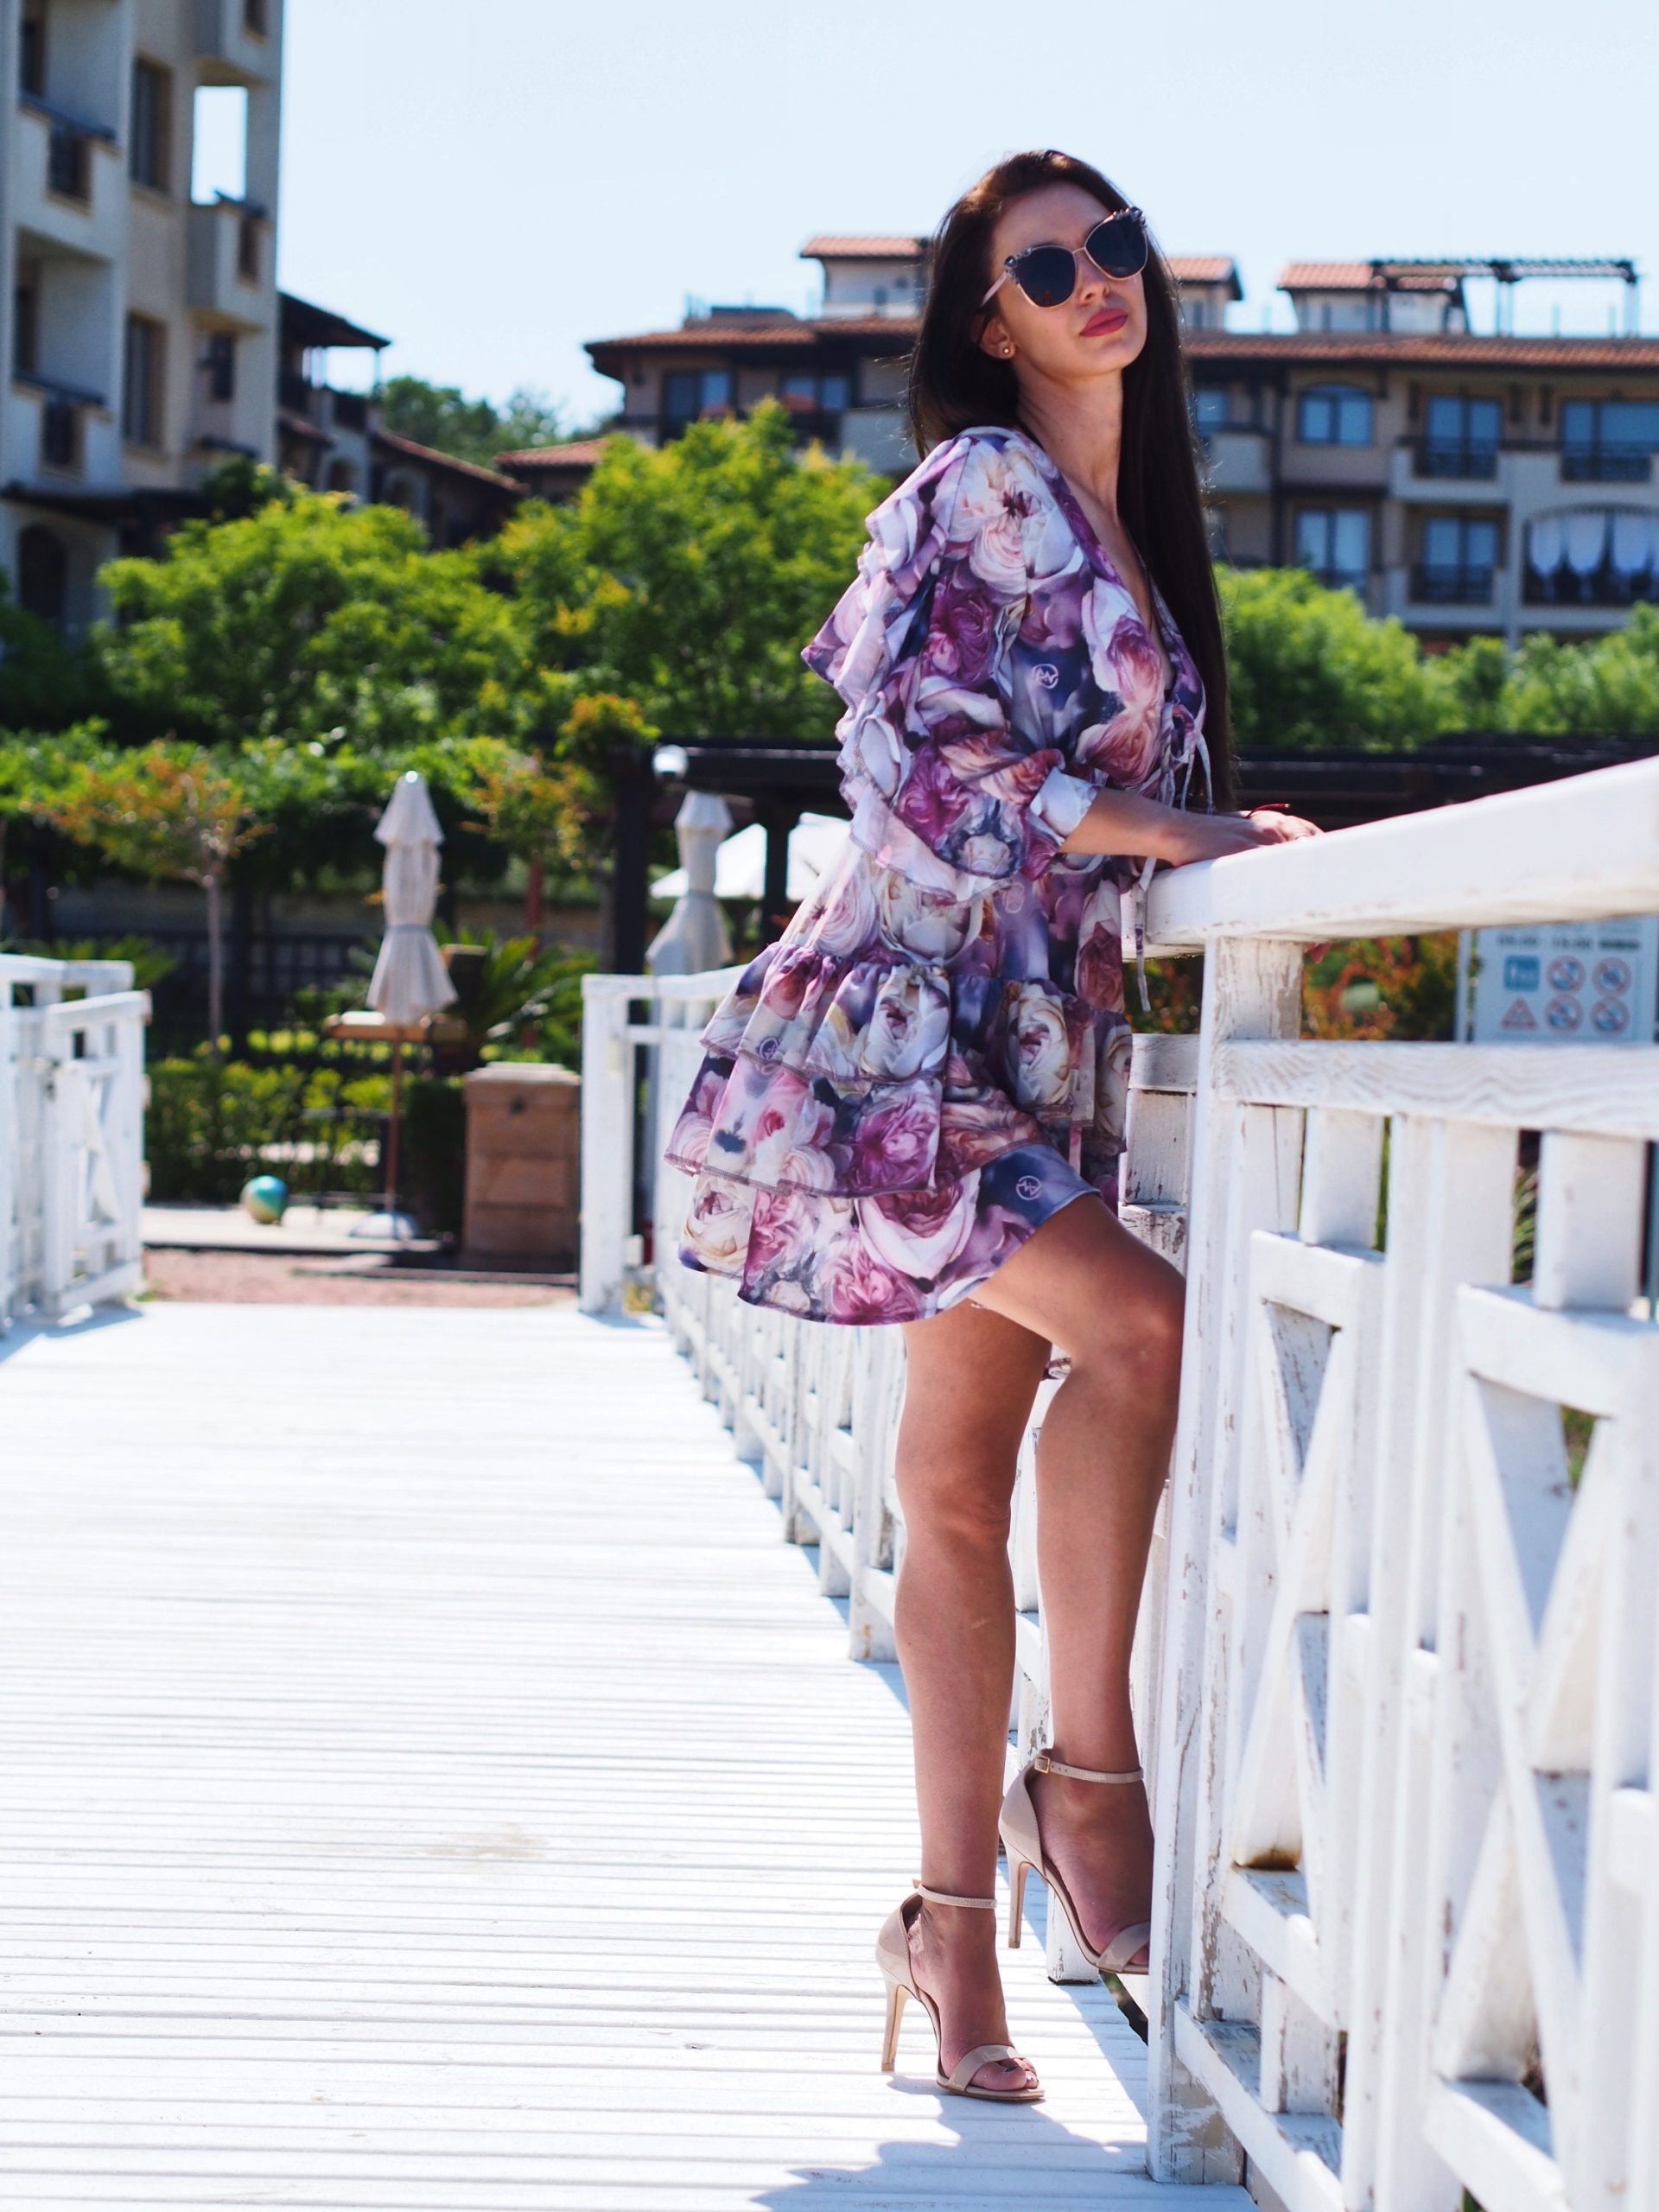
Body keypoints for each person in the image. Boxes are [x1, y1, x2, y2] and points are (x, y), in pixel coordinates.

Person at [664, 149, 1322, 2102]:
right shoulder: (980, 485)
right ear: (991, 319)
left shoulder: (1133, 527)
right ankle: (1087, 1784)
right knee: (1143, 1329)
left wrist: (1181, 848)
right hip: (908, 1029)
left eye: (1117, 244)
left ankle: (949, 1939)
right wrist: (1182, 828)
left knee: (954, 1476)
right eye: (1050, 265)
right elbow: (910, 757)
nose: (1100, 278)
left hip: (1041, 1041)